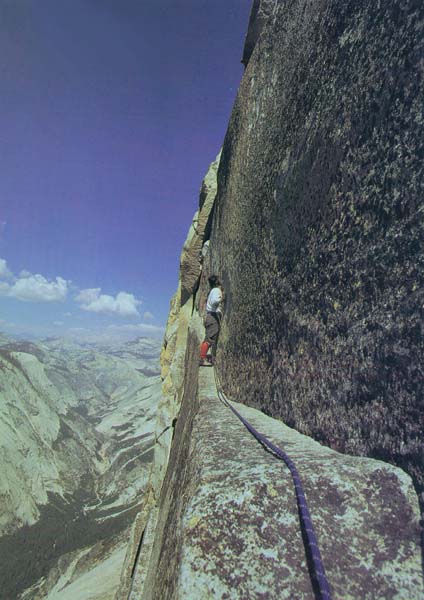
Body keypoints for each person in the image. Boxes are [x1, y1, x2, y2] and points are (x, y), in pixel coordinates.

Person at [199, 275, 223, 366]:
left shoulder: (212, 291)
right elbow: (214, 302)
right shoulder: (216, 290)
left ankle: (204, 357)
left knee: (209, 338)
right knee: (210, 339)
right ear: (216, 282)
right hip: (213, 317)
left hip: (210, 316)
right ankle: (202, 358)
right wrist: (221, 299)